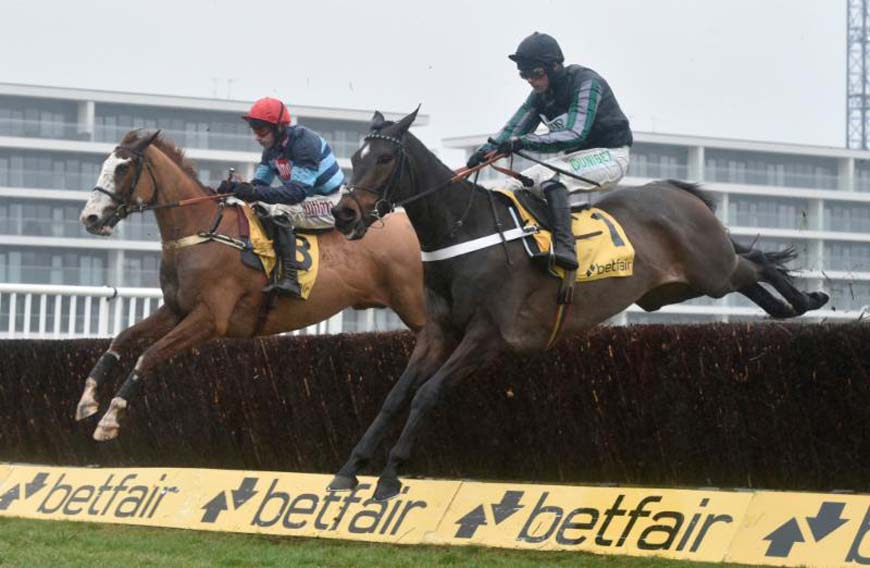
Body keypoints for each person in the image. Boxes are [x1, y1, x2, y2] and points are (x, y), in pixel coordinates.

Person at [467, 32, 633, 271]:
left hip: (611, 155)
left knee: (551, 177)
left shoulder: (587, 82)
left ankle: (565, 247)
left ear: (555, 67)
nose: (531, 81)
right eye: (524, 75)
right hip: (576, 159)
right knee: (508, 188)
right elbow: (513, 128)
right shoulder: (539, 96)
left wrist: (521, 142)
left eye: (536, 73)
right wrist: (485, 152)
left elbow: (576, 133)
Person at [217, 97, 345, 297]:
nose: (256, 137)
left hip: (334, 202)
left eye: (260, 130)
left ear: (278, 128)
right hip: (306, 201)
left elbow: (295, 193)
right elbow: (258, 187)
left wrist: (251, 192)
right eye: (254, 129)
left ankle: (291, 280)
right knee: (259, 207)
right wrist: (235, 188)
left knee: (280, 212)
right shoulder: (271, 151)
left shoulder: (304, 142)